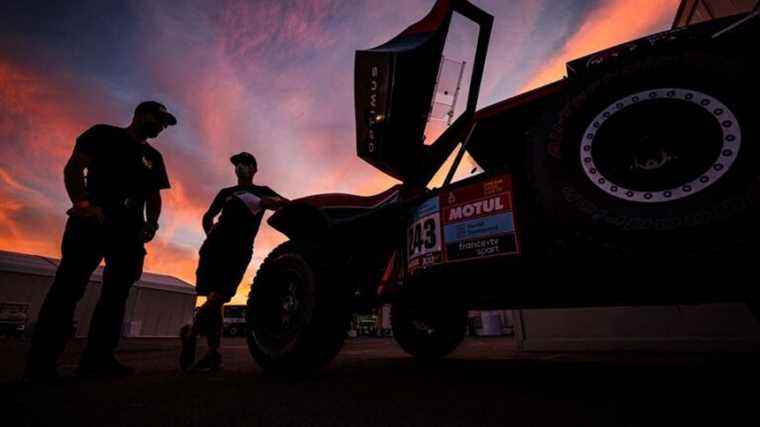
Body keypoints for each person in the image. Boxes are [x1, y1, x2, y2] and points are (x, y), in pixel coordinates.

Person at [24, 101, 176, 383]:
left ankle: (98, 359)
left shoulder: (153, 157)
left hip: (129, 230)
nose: (161, 127)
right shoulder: (103, 134)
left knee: (116, 295)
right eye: (159, 120)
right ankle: (41, 364)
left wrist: (151, 224)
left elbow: (154, 196)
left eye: (164, 124)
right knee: (68, 288)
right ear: (142, 115)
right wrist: (82, 204)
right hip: (94, 219)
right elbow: (73, 168)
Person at [180, 151, 288, 372]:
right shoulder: (226, 193)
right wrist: (210, 234)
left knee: (220, 296)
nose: (240, 166)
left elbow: (285, 204)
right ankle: (213, 353)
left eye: (245, 163)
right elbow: (208, 216)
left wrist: (269, 202)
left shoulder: (262, 191)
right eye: (237, 163)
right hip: (214, 248)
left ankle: (191, 333)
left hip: (239, 250)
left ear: (254, 168)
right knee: (215, 299)